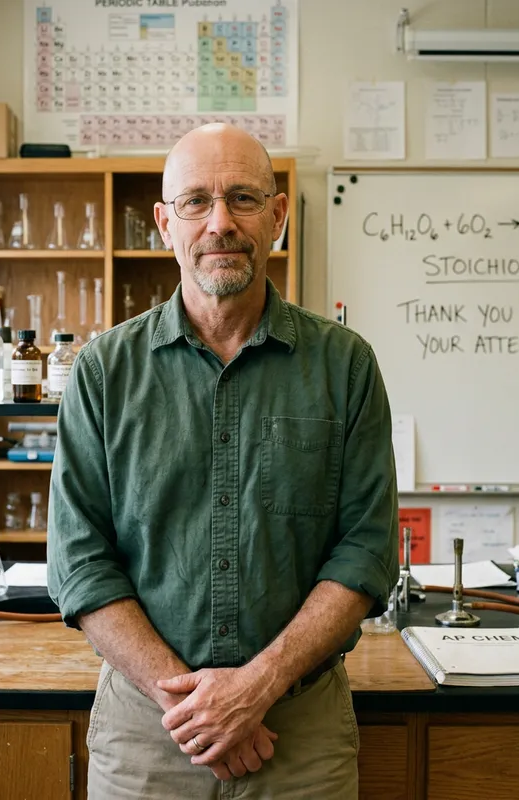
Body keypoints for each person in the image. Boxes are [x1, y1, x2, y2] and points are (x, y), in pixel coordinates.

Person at [48, 123, 399, 799]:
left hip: (299, 733)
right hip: (149, 733)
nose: (220, 223)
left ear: (278, 215)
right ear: (163, 223)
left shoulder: (345, 366)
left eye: (242, 198)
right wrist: (196, 707)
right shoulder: (103, 372)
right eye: (195, 202)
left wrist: (257, 687)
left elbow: (367, 551)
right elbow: (80, 562)